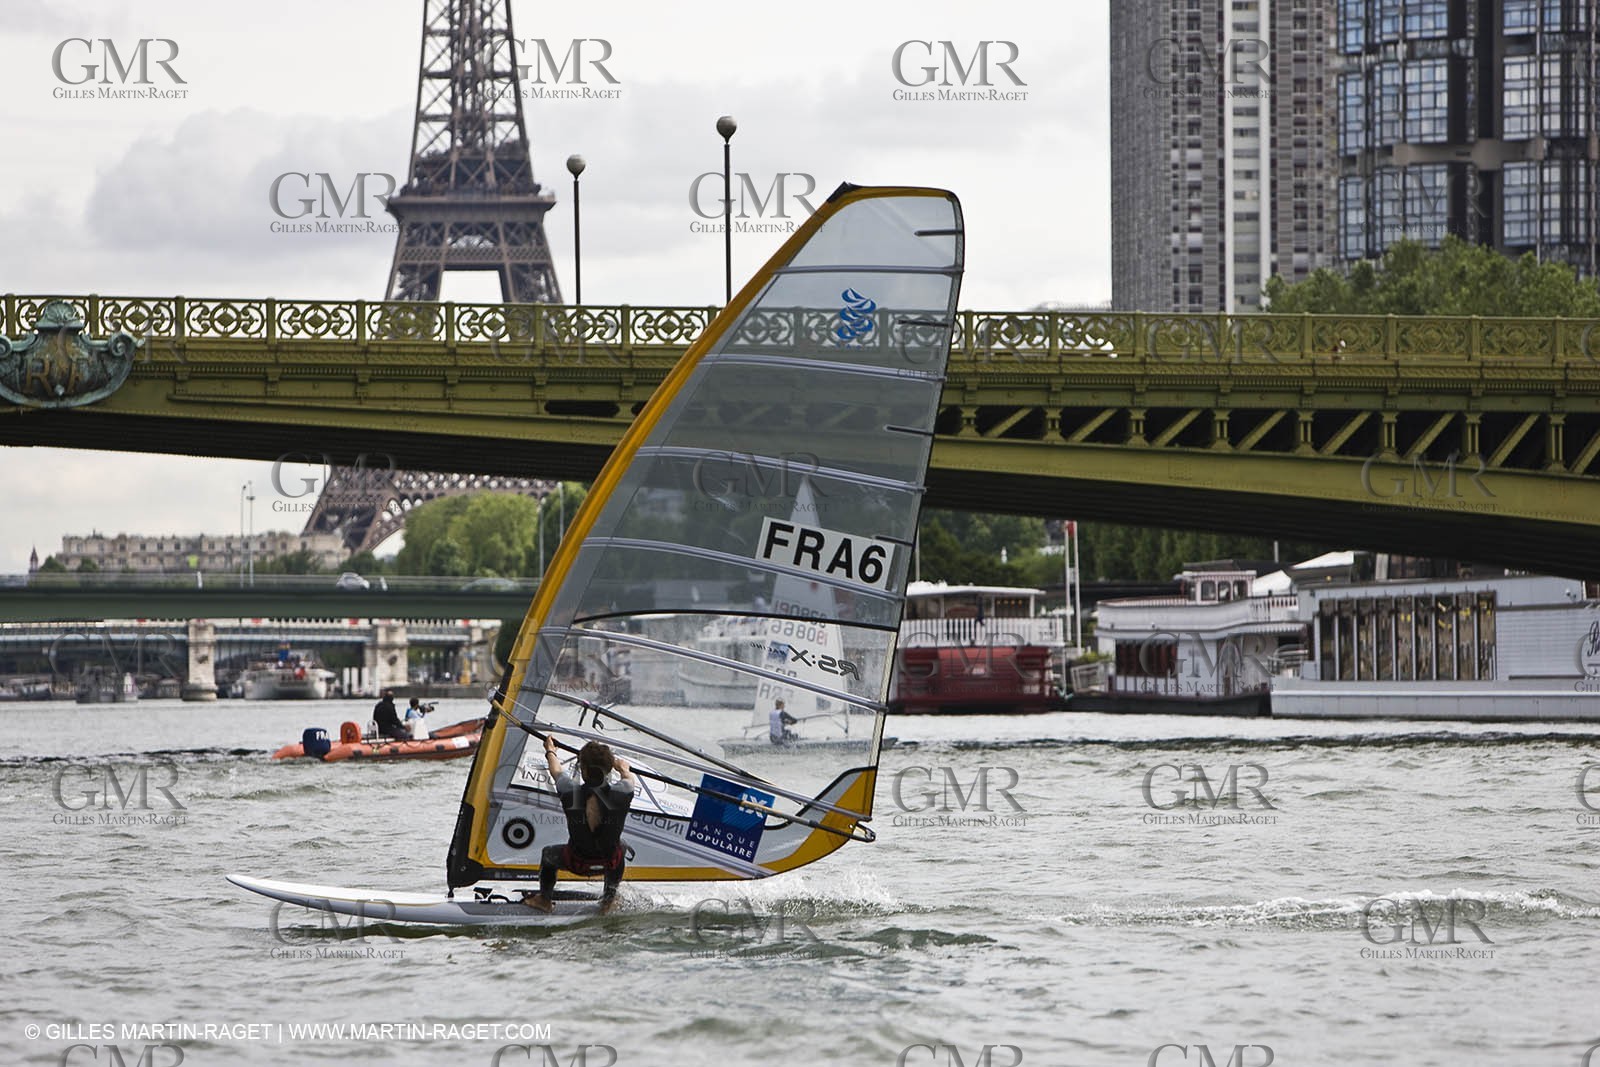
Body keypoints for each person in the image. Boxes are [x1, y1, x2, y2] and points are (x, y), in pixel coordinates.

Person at [523, 736, 634, 915]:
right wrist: (623, 768)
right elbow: (629, 778)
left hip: (576, 863)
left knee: (548, 854)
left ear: (583, 770)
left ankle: (544, 899)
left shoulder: (569, 790)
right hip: (609, 863)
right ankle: (608, 901)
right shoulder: (624, 790)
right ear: (608, 769)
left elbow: (556, 770)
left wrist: (550, 750)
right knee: (621, 846)